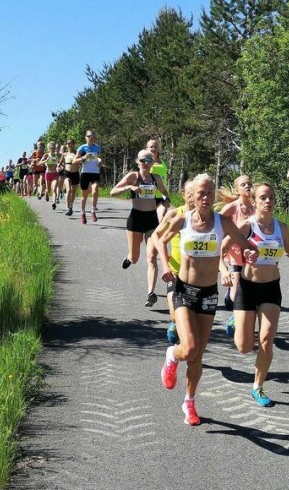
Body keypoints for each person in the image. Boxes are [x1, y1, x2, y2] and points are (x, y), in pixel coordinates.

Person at [151, 173, 258, 425]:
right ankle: (172, 355)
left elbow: (245, 244)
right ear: (193, 196)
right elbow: (159, 239)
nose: (206, 197)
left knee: (198, 355)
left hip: (208, 294)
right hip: (183, 290)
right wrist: (166, 266)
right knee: (187, 347)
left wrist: (251, 254)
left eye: (210, 192)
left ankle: (189, 401)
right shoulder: (182, 220)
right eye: (201, 193)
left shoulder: (223, 223)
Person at [231, 182, 289, 406]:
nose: (268, 201)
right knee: (244, 347)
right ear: (254, 201)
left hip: (271, 289)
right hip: (248, 288)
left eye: (271, 198)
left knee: (267, 341)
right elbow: (225, 249)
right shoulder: (245, 226)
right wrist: (229, 269)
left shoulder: (282, 227)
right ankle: (235, 321)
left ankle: (258, 387)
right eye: (263, 198)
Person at [110, 149, 171, 307]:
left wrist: (166, 201)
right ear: (137, 162)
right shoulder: (133, 176)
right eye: (143, 160)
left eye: (149, 160)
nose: (147, 163)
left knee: (151, 256)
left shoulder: (155, 178)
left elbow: (164, 193)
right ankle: (129, 258)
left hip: (151, 220)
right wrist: (129, 188)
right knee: (135, 258)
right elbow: (112, 192)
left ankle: (151, 293)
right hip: (136, 219)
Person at [148, 179, 196, 345]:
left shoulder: (207, 218)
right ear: (183, 194)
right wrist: (164, 260)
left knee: (191, 318)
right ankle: (176, 327)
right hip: (174, 273)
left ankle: (185, 349)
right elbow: (156, 235)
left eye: (196, 192)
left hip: (197, 276)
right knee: (176, 313)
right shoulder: (175, 214)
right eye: (189, 192)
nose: (193, 196)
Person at [218, 175, 256, 337]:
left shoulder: (257, 207)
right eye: (243, 184)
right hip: (234, 254)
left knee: (250, 290)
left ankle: (240, 314)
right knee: (237, 291)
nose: (247, 186)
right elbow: (216, 222)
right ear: (237, 190)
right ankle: (235, 317)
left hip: (253, 256)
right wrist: (223, 240)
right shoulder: (233, 207)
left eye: (249, 183)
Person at [76, 130, 102, 224]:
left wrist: (100, 162)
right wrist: (83, 158)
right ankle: (83, 213)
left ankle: (93, 211)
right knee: (85, 195)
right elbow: (74, 161)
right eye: (89, 136)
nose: (91, 137)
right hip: (85, 173)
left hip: (95, 172)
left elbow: (100, 158)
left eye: (93, 135)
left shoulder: (97, 147)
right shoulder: (82, 148)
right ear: (85, 137)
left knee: (95, 191)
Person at [146, 139, 170, 222]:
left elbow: (164, 174)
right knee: (149, 223)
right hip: (149, 196)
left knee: (162, 219)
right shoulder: (146, 162)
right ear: (147, 149)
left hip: (162, 195)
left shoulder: (162, 162)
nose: (153, 148)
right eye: (151, 147)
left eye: (155, 147)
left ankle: (159, 234)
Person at [62, 138, 81, 216]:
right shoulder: (65, 154)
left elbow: (81, 162)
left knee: (73, 192)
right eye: (68, 143)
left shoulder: (77, 153)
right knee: (69, 190)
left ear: (74, 144)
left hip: (75, 173)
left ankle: (71, 206)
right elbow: (61, 163)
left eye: (71, 143)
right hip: (67, 173)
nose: (69, 145)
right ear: (66, 145)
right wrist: (58, 167)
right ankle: (68, 208)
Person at [43, 141, 61, 208]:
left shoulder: (57, 155)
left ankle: (54, 202)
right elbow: (39, 162)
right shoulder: (46, 155)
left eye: (53, 147)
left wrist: (60, 166)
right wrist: (46, 160)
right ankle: (46, 193)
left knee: (54, 189)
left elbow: (61, 160)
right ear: (48, 148)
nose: (52, 149)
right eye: (51, 148)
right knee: (48, 190)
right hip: (48, 174)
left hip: (55, 174)